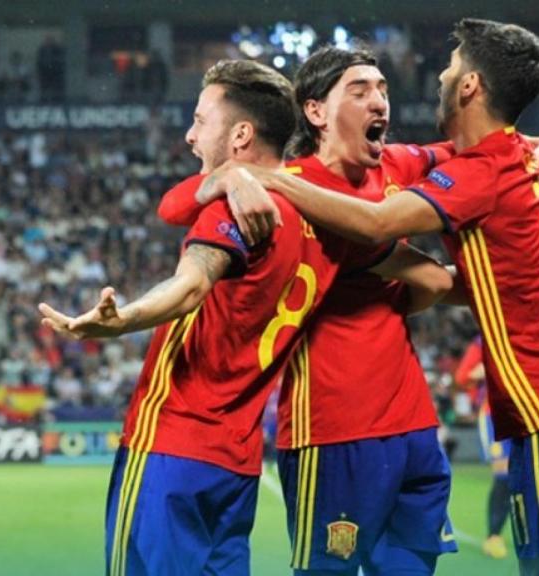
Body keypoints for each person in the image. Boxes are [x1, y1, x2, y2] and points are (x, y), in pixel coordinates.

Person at [196, 19, 539, 576]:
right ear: (315, 111)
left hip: (528, 407)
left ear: (470, 86)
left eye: (382, 88)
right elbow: (181, 207)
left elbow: (385, 219)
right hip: (343, 427)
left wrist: (265, 178)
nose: (390, 95)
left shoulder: (435, 169)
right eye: (360, 90)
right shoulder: (474, 159)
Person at [38, 59, 452, 576]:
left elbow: (191, 286)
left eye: (199, 121)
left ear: (239, 135)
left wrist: (123, 319)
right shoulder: (332, 221)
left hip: (170, 445)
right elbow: (433, 278)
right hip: (237, 466)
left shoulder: (240, 206)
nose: (190, 136)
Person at [456, 337, 511, 560]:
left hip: (527, 413)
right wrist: (479, 372)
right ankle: (494, 537)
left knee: (526, 476)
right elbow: (462, 377)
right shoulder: (483, 341)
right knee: (504, 474)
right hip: (494, 415)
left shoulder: (527, 330)